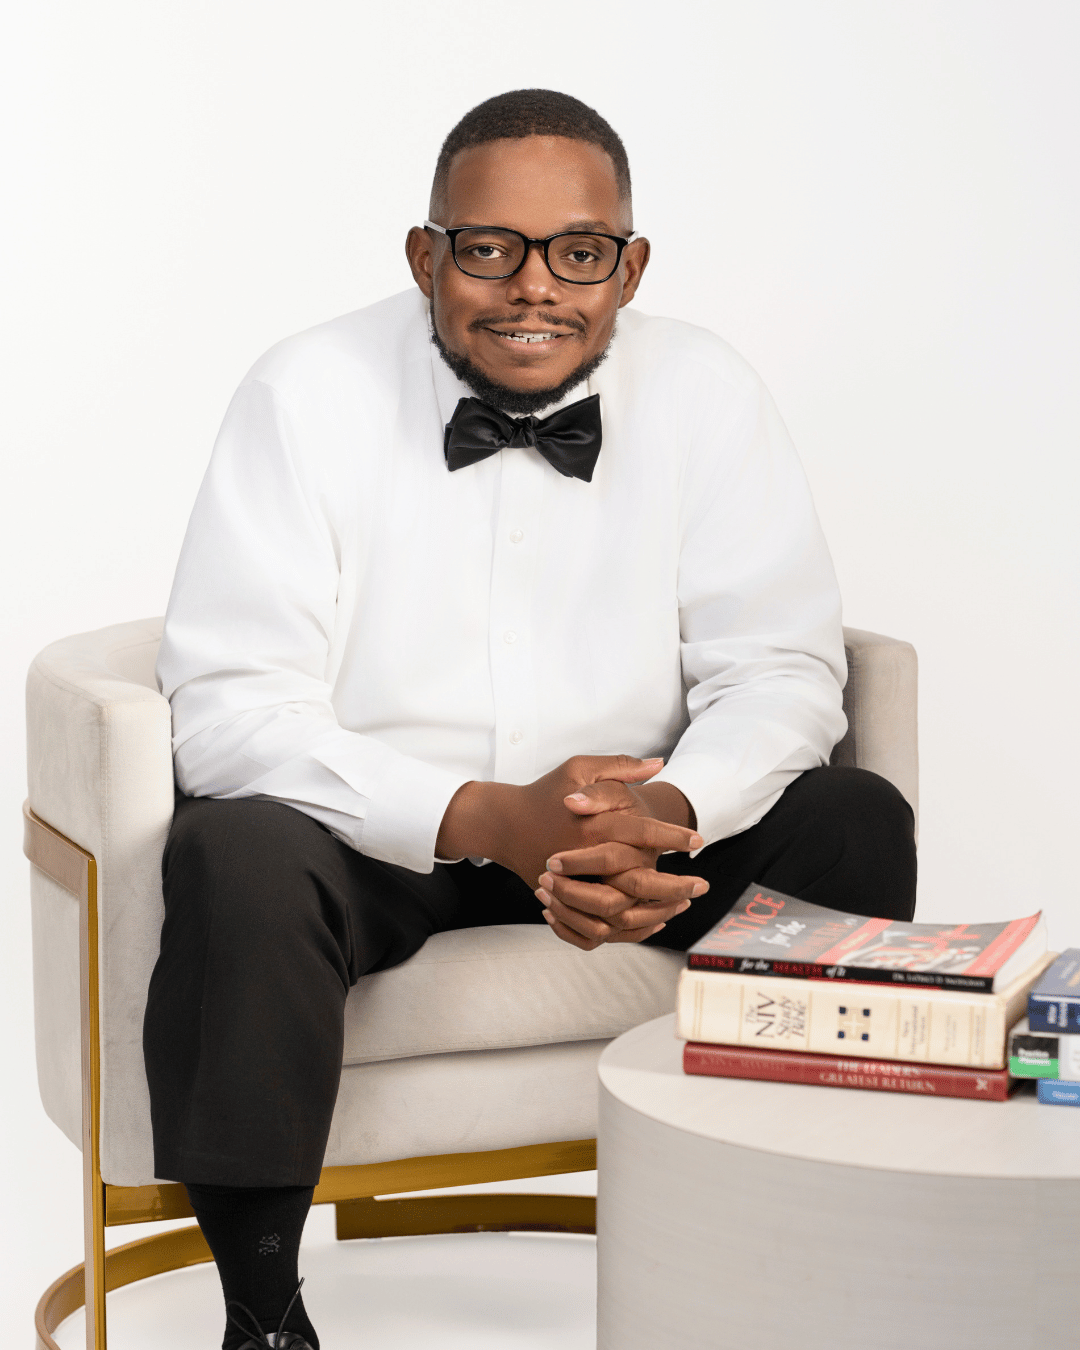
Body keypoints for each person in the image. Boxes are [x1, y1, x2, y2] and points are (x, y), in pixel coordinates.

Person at [144, 88, 916, 1350]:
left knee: (852, 819)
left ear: (631, 267)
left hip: (643, 837)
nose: (535, 288)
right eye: (490, 248)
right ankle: (264, 1313)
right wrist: (483, 816)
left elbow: (779, 668)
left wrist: (667, 809)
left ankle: (809, 1253)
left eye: (580, 252)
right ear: (426, 256)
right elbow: (231, 705)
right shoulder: (304, 392)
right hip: (383, 842)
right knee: (235, 851)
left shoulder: (709, 391)